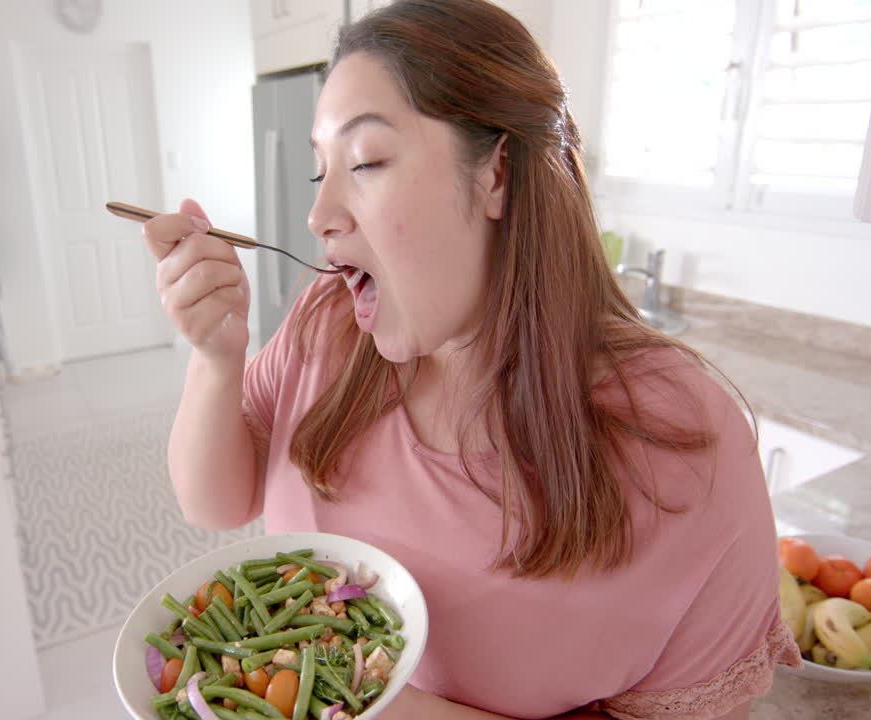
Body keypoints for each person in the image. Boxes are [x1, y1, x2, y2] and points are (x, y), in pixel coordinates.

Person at [141, 1, 799, 718]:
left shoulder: (684, 442)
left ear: (497, 175)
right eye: (319, 171)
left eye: (365, 161)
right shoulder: (324, 324)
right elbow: (215, 503)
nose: (318, 214)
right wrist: (215, 356)